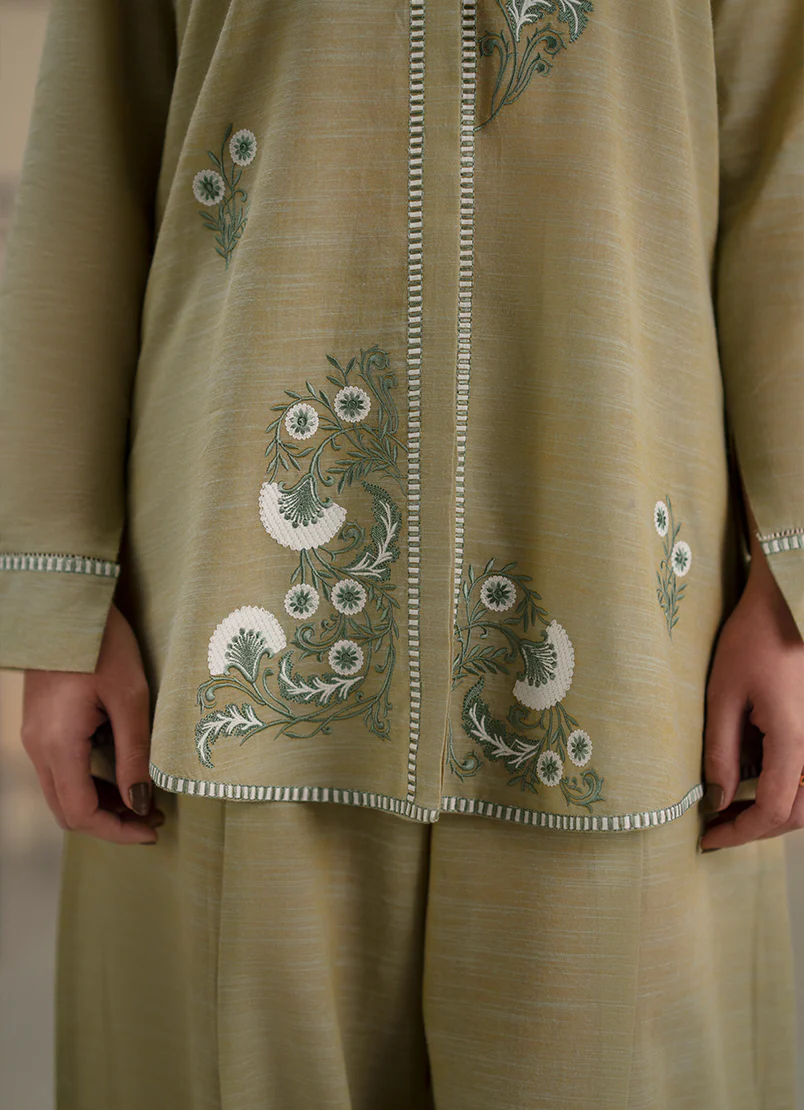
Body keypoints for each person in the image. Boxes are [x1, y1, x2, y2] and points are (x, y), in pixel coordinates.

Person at [0, 0, 801, 1106]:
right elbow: (87, 165)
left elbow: (785, 170)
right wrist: (63, 589)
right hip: (223, 608)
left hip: (626, 615)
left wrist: (789, 590)